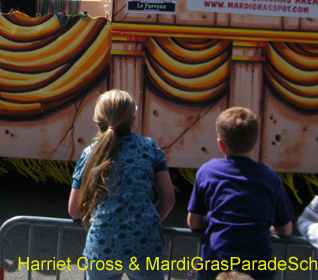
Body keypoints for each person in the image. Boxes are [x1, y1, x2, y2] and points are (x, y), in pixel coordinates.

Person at [68, 89, 176, 280]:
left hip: (102, 246)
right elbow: (168, 198)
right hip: (145, 246)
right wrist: (145, 222)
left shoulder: (90, 152)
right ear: (133, 119)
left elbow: (74, 210)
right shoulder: (149, 147)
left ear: (97, 119)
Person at [187, 107, 293, 280]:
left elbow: (194, 223)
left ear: (221, 144)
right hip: (258, 271)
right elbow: (286, 229)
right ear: (255, 141)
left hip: (216, 268)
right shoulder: (270, 178)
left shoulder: (207, 172)